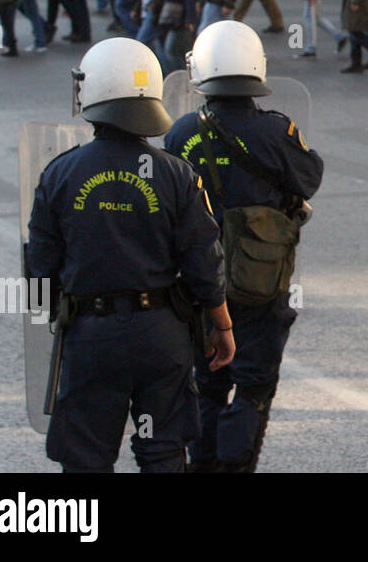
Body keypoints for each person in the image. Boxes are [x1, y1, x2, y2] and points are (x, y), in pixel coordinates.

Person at [28, 38, 234, 471]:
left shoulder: (60, 174)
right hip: (161, 336)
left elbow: (41, 272)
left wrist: (58, 318)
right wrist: (222, 324)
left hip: (90, 336)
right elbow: (204, 263)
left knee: (86, 457)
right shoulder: (178, 174)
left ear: (93, 91)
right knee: (161, 452)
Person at [164, 22, 323, 472]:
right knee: (252, 387)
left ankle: (204, 465)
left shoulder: (180, 134)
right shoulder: (277, 131)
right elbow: (309, 177)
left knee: (207, 382)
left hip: (198, 283)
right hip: (260, 280)